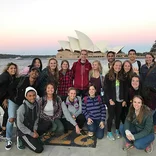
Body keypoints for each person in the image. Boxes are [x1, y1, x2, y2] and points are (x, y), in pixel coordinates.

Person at [5, 67, 40, 150]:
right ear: (29, 72)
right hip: (14, 102)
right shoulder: (22, 79)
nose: (34, 73)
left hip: (23, 104)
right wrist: (7, 98)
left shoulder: (36, 84)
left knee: (21, 120)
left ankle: (19, 137)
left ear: (38, 74)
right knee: (11, 119)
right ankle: (8, 139)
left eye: (36, 72)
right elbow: (10, 88)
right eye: (32, 71)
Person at [104, 60, 126, 140]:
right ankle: (109, 132)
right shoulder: (108, 76)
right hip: (111, 100)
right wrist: (109, 99)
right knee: (111, 116)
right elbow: (106, 89)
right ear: (113, 66)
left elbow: (125, 89)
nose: (118, 67)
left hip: (120, 100)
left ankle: (117, 130)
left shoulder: (122, 76)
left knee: (118, 116)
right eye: (116, 65)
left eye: (120, 65)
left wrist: (124, 100)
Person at [16, 87, 43, 153]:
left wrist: (35, 129)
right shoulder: (22, 108)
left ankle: (33, 139)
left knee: (48, 124)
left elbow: (37, 118)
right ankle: (20, 139)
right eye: (30, 96)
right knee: (39, 149)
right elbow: (20, 125)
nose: (32, 97)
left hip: (31, 128)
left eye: (34, 95)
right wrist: (31, 134)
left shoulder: (36, 105)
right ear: (26, 96)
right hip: (23, 131)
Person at [0, 62, 18, 138]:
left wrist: (6, 98)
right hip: (1, 97)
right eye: (11, 68)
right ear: (7, 69)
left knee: (7, 111)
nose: (13, 69)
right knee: (7, 111)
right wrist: (4, 98)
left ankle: (3, 130)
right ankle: (3, 130)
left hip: (2, 97)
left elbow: (8, 89)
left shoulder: (11, 77)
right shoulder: (4, 76)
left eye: (14, 68)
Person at [140, 53, 156, 133]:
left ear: (153, 58)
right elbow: (141, 79)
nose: (148, 59)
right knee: (146, 108)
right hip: (145, 91)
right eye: (146, 57)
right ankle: (148, 124)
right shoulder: (143, 67)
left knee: (153, 109)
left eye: (150, 57)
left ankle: (153, 125)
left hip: (154, 91)